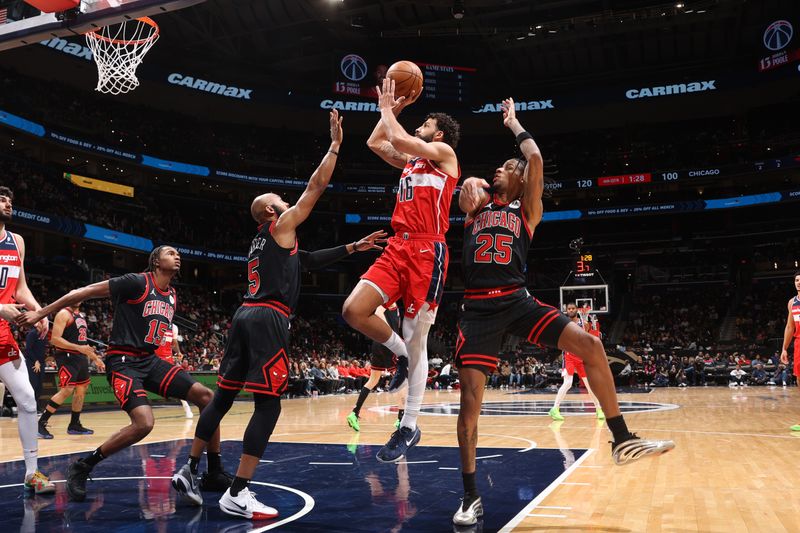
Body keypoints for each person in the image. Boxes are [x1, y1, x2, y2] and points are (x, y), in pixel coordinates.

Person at [451, 99, 674, 527]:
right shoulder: (477, 208)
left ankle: (622, 440)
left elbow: (533, 156)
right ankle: (470, 496)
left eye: (505, 167)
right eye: (497, 167)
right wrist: (469, 189)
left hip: (516, 298)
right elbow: (465, 191)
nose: (498, 170)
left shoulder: (527, 211)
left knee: (590, 345)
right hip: (478, 310)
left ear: (519, 179)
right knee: (469, 409)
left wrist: (513, 122)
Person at [171, 110, 386, 519]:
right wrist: (336, 145)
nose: (287, 204)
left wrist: (353, 248)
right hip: (269, 317)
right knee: (268, 406)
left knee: (224, 396)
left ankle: (190, 467)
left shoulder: (260, 243)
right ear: (271, 212)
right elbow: (315, 186)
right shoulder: (280, 226)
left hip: (243, 316)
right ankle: (238, 490)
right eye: (280, 203)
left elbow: (306, 259)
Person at [17, 245, 230, 502]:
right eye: (171, 253)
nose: (177, 256)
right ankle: (83, 466)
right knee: (144, 423)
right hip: (123, 361)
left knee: (207, 397)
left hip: (149, 360)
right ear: (155, 261)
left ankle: (214, 472)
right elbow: (79, 292)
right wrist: (41, 312)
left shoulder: (172, 294)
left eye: (178, 254)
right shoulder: (136, 282)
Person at [342, 76, 461, 463]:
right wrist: (397, 108)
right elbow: (376, 142)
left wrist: (388, 110)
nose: (418, 126)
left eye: (425, 122)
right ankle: (402, 355)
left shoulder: (442, 153)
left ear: (438, 132)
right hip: (398, 246)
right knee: (353, 310)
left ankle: (409, 425)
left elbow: (406, 141)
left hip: (429, 251)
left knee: (417, 338)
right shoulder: (411, 161)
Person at [0, 185, 55, 494]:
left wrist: (38, 310)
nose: (7, 203)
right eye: (1, 198)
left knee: (27, 399)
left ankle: (32, 473)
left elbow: (19, 287)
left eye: (10, 199)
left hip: (2, 336)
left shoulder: (16, 242)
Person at [37, 302, 105, 438]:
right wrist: (79, 348)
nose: (78, 299)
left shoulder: (80, 316)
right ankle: (40, 424)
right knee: (67, 390)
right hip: (66, 357)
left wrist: (95, 358)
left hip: (80, 357)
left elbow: (83, 343)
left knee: (81, 390)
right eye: (75, 296)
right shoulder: (63, 314)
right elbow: (55, 340)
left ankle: (74, 424)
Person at [347, 304, 408, 432]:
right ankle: (401, 419)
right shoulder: (387, 301)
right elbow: (378, 313)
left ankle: (354, 412)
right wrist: (390, 335)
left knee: (373, 379)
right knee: (401, 378)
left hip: (378, 342)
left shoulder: (396, 307)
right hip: (387, 342)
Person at [549, 303, 604, 421]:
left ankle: (599, 409)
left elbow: (586, 332)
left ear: (576, 310)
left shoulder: (582, 323)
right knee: (568, 383)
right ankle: (555, 409)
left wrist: (586, 319)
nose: (571, 310)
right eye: (569, 309)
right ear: (566, 311)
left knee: (590, 385)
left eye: (573, 308)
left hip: (580, 356)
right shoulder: (564, 323)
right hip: (568, 355)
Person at [154, 323, 193, 419]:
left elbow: (174, 343)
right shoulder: (172, 326)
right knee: (176, 384)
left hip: (165, 359)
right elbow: (174, 343)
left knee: (176, 384)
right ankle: (187, 409)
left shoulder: (173, 327)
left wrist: (179, 352)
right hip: (155, 358)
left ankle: (187, 408)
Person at [779, 271, 800, 431]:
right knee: (799, 380)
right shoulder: (792, 302)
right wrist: (784, 348)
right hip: (799, 343)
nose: (799, 282)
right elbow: (789, 327)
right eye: (797, 280)